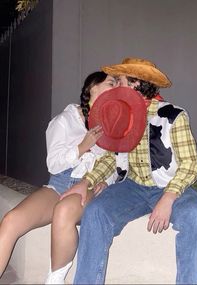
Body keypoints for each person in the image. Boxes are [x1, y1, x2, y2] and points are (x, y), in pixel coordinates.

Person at [61, 57, 197, 285]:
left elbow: (191, 164)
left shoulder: (172, 115)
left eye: (120, 82)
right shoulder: (121, 116)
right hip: (132, 187)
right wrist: (86, 181)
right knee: (95, 212)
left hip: (169, 186)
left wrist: (168, 197)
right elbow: (111, 159)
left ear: (135, 84)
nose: (115, 87)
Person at [0, 71, 118, 282]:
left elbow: (119, 163)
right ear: (93, 88)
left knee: (63, 211)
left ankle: (54, 280)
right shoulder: (64, 121)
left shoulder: (113, 123)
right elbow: (53, 164)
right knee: (11, 220)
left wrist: (104, 181)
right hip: (59, 183)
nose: (116, 88)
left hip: (89, 186)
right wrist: (82, 147)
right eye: (111, 83)